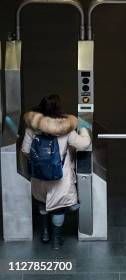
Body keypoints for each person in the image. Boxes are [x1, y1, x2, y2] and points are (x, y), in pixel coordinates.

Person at [21, 94, 91, 250]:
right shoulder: (65, 128)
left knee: (42, 202)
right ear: (59, 109)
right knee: (58, 208)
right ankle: (56, 240)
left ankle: (45, 232)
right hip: (60, 176)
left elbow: (25, 150)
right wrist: (85, 129)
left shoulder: (32, 128)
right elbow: (84, 144)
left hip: (39, 176)